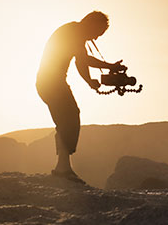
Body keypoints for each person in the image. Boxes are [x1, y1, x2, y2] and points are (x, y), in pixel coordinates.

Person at [36, 11, 123, 183]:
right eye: (98, 33)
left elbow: (83, 60)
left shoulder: (73, 31)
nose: (96, 38)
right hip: (52, 83)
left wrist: (106, 69)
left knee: (66, 120)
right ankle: (62, 169)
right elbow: (82, 62)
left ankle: (63, 167)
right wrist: (97, 76)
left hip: (50, 83)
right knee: (70, 119)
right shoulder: (74, 33)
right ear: (92, 24)